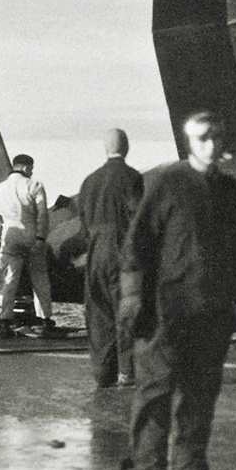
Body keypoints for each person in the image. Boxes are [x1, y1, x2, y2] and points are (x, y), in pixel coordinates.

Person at [120, 111, 236, 470]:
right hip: (166, 311)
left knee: (201, 394)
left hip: (211, 311)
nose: (211, 145)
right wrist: (132, 298)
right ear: (190, 142)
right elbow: (137, 244)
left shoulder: (231, 191)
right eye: (203, 138)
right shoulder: (168, 182)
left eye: (217, 137)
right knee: (155, 395)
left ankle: (190, 467)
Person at [79, 131, 143, 388]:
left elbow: (83, 225)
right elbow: (137, 218)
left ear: (105, 148)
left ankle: (102, 373)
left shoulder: (89, 181)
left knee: (99, 312)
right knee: (125, 309)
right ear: (126, 147)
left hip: (95, 252)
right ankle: (127, 371)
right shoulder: (131, 177)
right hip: (121, 249)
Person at [0, 153, 54, 338]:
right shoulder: (35, 185)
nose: (31, 172)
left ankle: (4, 321)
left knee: (8, 281)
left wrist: (1, 235)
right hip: (31, 234)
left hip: (10, 234)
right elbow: (42, 214)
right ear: (26, 168)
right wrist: (40, 238)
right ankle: (46, 321)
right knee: (40, 279)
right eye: (31, 169)